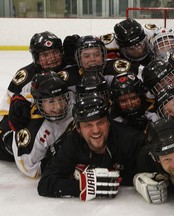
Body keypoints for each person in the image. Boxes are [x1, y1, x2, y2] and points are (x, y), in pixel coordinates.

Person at [37, 94, 146, 201]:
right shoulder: (72, 142)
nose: (96, 130)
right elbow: (45, 184)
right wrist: (82, 186)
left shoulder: (131, 140)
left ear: (108, 122)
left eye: (100, 122)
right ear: (78, 128)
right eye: (88, 125)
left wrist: (135, 179)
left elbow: (154, 171)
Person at [0, 31, 77, 161]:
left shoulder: (72, 67)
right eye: (45, 55)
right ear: (36, 58)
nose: (52, 58)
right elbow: (5, 113)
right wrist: (8, 138)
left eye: (55, 52)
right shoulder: (24, 77)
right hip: (41, 132)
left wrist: (78, 49)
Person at [11, 71, 74, 178]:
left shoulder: (71, 100)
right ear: (38, 102)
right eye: (51, 102)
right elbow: (28, 167)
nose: (58, 107)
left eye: (61, 99)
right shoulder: (34, 130)